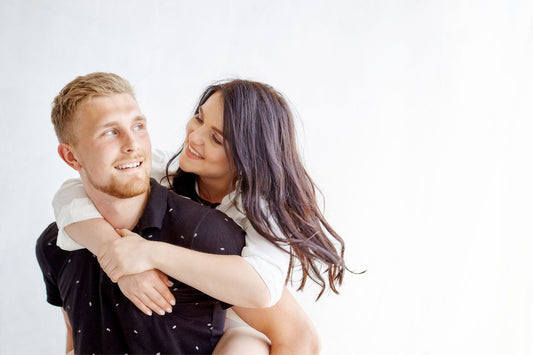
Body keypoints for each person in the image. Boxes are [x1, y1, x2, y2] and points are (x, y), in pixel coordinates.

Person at [53, 78, 346, 354]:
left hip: (246, 322)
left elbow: (264, 292)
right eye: (199, 117)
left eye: (217, 139)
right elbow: (71, 193)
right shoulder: (161, 171)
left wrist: (148, 254)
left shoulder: (261, 206)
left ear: (248, 155)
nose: (194, 136)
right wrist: (117, 257)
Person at [35, 72, 249, 354]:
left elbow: (294, 335)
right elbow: (76, 339)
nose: (132, 144)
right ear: (71, 157)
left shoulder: (208, 234)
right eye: (110, 132)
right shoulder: (54, 244)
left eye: (138, 126)